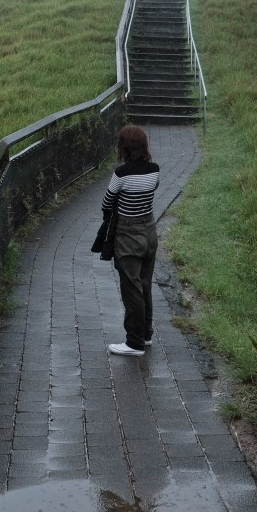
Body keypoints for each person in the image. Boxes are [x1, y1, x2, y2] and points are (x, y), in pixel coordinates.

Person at [102, 125, 159, 356]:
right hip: (149, 232)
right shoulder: (154, 170)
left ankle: (134, 343)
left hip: (128, 235)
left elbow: (107, 202)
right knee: (144, 285)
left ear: (124, 147)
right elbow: (152, 190)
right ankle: (145, 334)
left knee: (131, 289)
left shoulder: (121, 173)